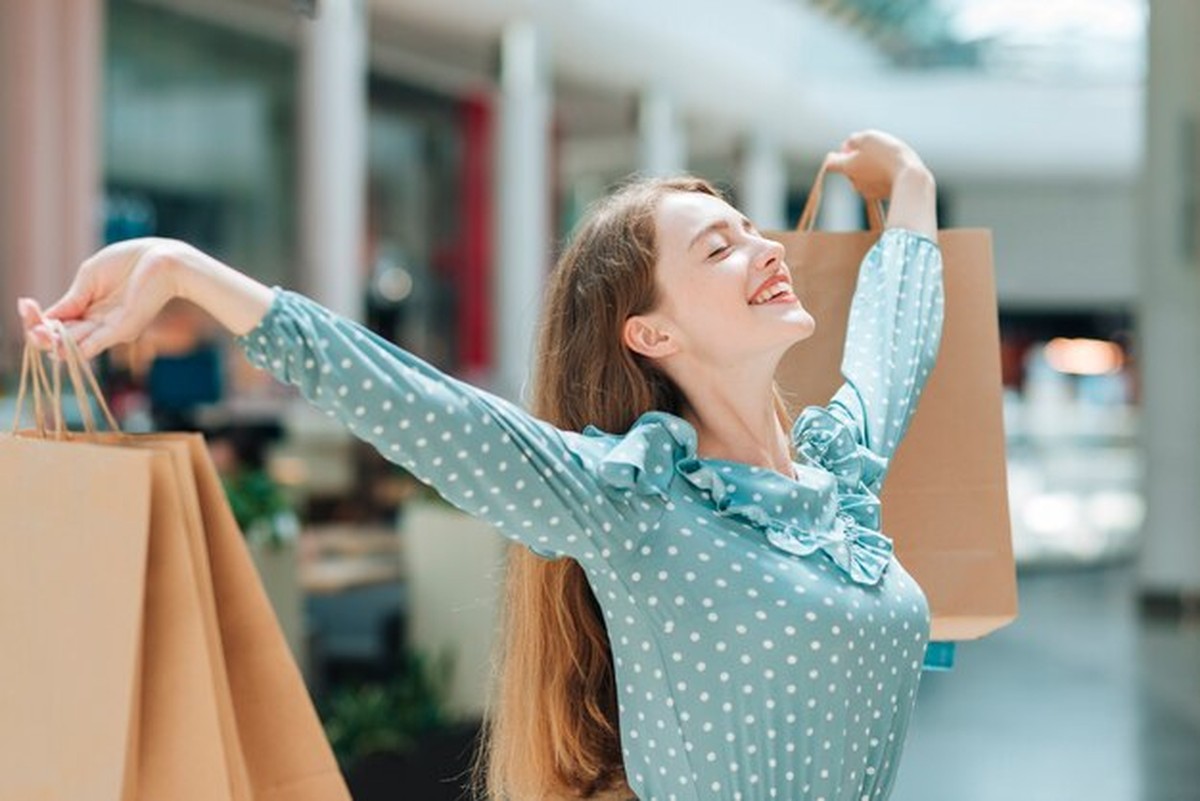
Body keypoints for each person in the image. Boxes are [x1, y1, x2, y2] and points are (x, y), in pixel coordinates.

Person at [19, 128, 943, 801]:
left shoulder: (836, 482)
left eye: (749, 228)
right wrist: (186, 272)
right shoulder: (633, 501)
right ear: (651, 333)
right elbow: (432, 412)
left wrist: (910, 184)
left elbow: (894, 340)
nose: (765, 247)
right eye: (720, 245)